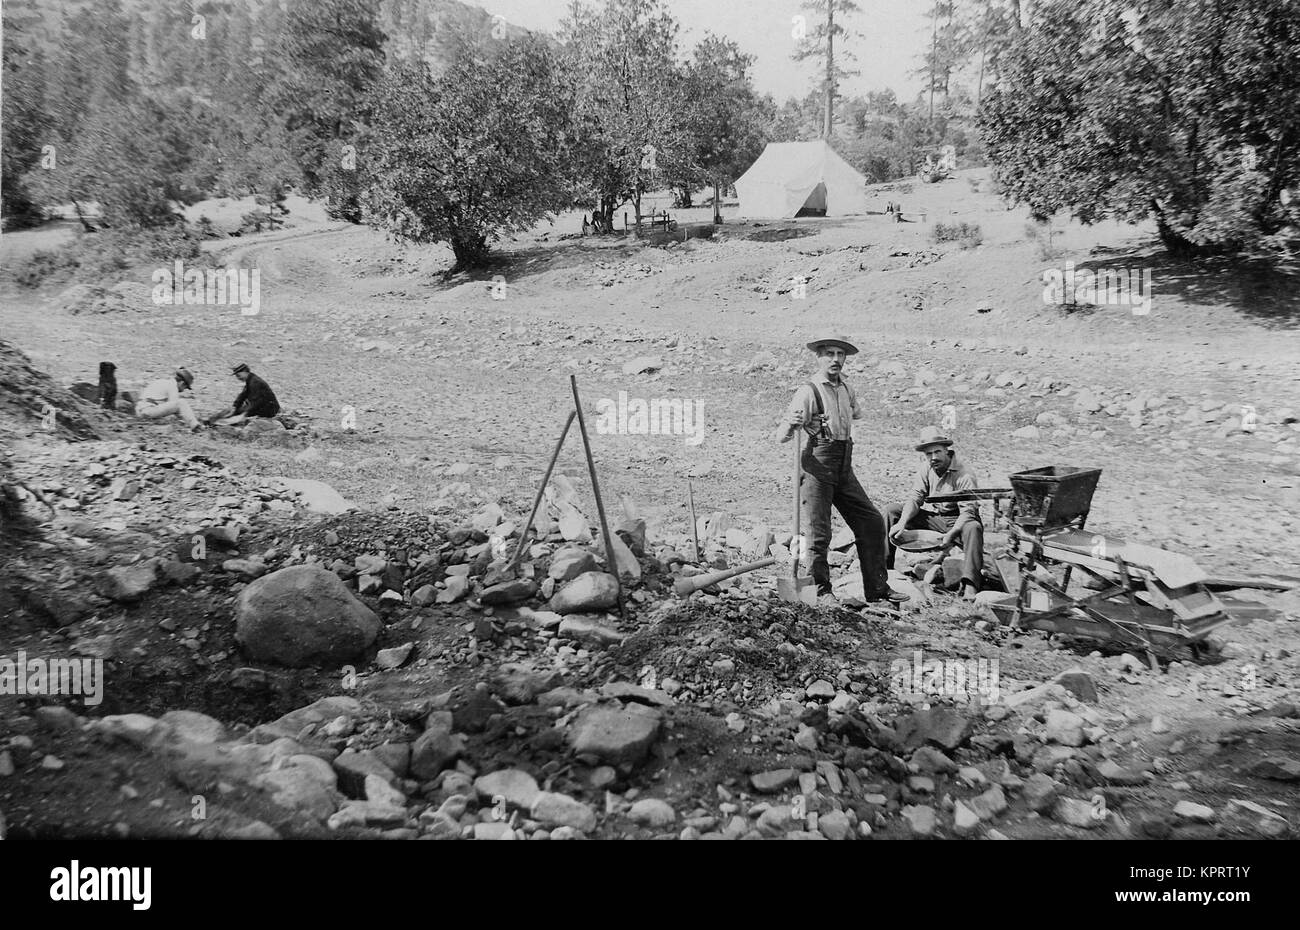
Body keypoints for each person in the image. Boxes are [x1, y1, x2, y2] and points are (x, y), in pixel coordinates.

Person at [775, 334, 906, 608]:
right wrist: (792, 423)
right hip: (816, 467)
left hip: (843, 465)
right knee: (818, 533)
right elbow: (781, 437)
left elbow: (856, 415)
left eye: (840, 355)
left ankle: (878, 590)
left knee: (871, 522)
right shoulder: (808, 390)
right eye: (830, 354)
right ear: (819, 357)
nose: (835, 360)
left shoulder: (846, 388)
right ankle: (820, 592)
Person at [885, 427, 985, 600]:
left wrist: (952, 534)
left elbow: (968, 511)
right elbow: (915, 498)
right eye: (928, 454)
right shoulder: (926, 468)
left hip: (960, 520)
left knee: (974, 527)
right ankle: (884, 569)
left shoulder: (964, 474)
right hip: (938, 519)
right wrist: (901, 523)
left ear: (947, 450)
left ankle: (970, 584)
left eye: (937, 451)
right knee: (892, 510)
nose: (933, 458)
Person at [205, 363, 280, 426]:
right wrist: (235, 406)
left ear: (244, 371)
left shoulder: (255, 382)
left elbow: (257, 402)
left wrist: (245, 414)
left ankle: (217, 422)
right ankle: (211, 421)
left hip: (269, 409)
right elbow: (243, 395)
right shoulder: (251, 380)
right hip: (258, 406)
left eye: (238, 375)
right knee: (231, 411)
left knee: (236, 417)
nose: (238, 378)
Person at [136, 367, 202, 431]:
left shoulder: (162, 381)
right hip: (148, 410)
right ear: (182, 383)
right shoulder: (173, 386)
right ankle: (195, 426)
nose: (184, 390)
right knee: (181, 402)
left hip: (140, 410)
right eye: (185, 387)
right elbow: (176, 408)